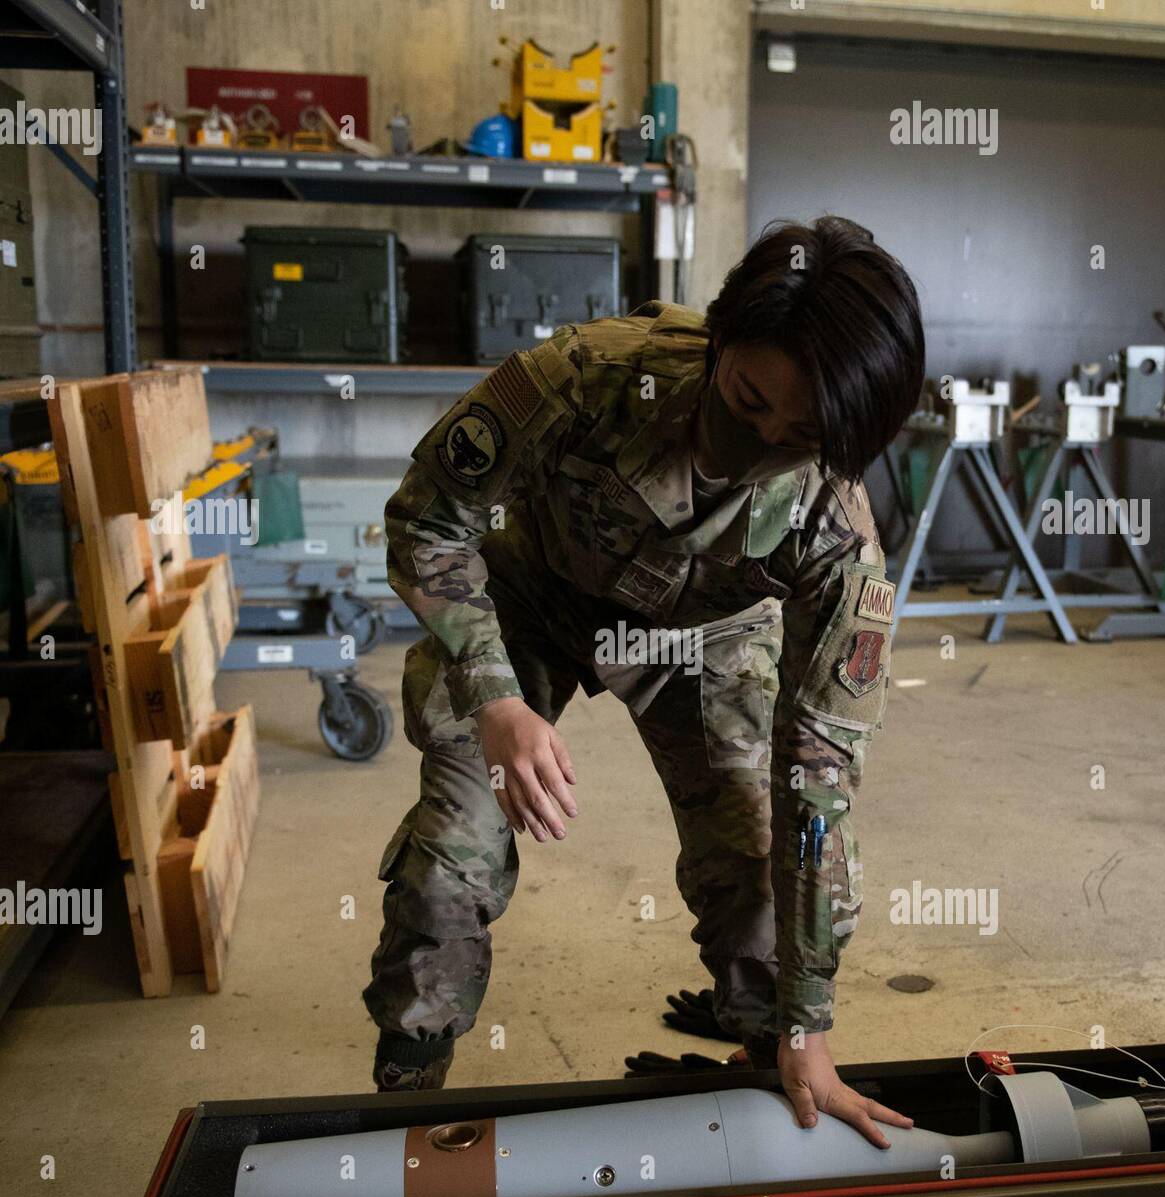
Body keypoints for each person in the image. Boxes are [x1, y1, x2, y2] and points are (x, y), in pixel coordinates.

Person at [364, 214, 924, 1145]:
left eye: (798, 435)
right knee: (449, 858)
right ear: (720, 342)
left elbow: (817, 783)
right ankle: (410, 1098)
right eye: (746, 403)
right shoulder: (587, 375)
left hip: (703, 640)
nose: (756, 447)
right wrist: (496, 694)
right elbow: (428, 517)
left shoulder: (839, 532)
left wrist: (807, 1020)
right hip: (526, 602)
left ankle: (762, 1067)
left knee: (752, 874)